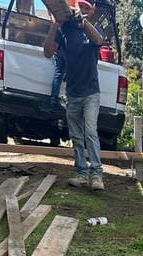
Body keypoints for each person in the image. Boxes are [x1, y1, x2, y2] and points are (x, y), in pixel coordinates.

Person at [44, 2, 104, 190]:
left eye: (85, 9)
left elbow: (99, 40)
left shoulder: (91, 31)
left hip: (91, 93)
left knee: (91, 132)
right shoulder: (65, 32)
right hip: (74, 94)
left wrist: (83, 23)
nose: (81, 12)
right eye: (80, 9)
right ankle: (81, 173)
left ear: (90, 13)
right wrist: (54, 25)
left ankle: (97, 175)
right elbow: (48, 52)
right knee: (76, 136)